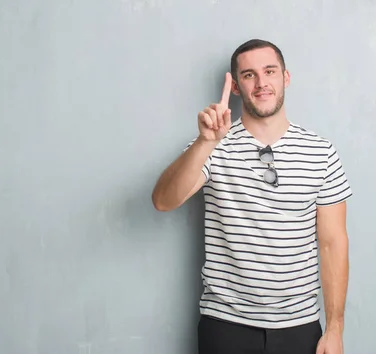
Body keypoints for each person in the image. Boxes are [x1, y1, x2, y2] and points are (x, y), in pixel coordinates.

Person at [151, 39, 352, 354]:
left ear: (285, 77)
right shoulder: (212, 145)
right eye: (248, 75)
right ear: (235, 87)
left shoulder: (321, 152)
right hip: (225, 324)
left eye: (269, 71)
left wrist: (335, 329)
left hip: (299, 326)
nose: (261, 83)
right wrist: (205, 143)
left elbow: (333, 243)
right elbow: (163, 200)